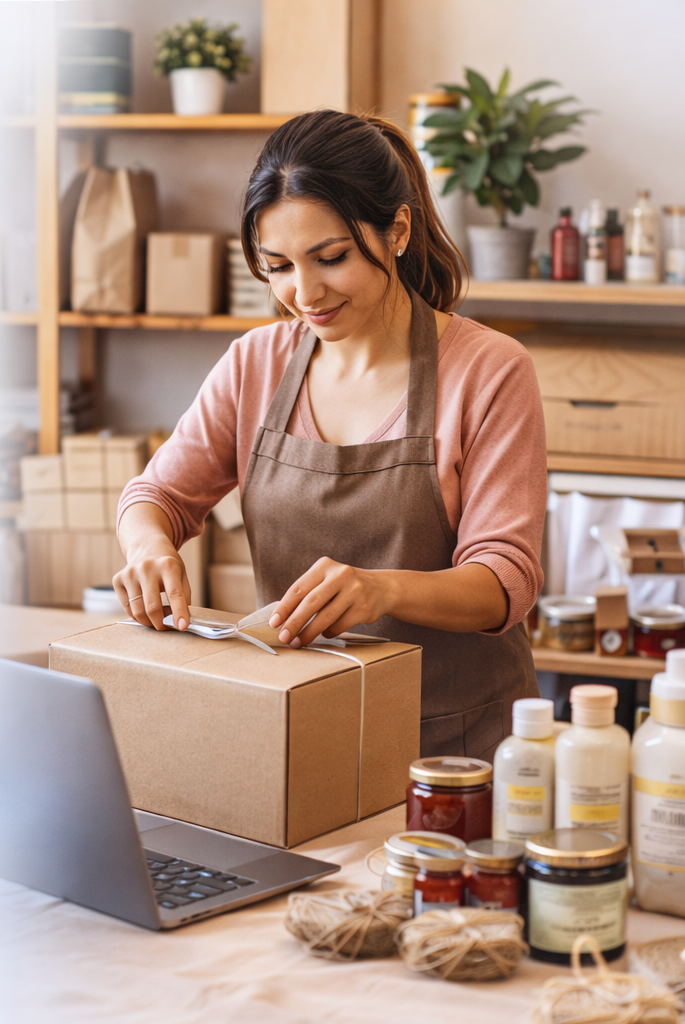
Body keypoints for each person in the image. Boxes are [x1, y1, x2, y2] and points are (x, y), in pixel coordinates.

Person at [114, 109, 547, 759]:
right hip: (302, 731)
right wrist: (149, 546)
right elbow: (158, 496)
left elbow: (503, 582)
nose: (304, 292)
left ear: (397, 230)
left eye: (331, 257)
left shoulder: (488, 371)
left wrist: (383, 587)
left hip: (454, 749)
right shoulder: (254, 363)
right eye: (278, 266)